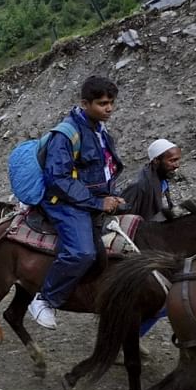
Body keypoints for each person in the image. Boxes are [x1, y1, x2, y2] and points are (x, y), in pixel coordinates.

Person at [28, 76, 126, 330]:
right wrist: (97, 202)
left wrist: (111, 195)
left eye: (112, 103)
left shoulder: (99, 130)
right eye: (103, 103)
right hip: (63, 201)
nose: (109, 108)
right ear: (85, 103)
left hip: (91, 199)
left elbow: (102, 169)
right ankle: (45, 299)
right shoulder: (66, 134)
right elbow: (58, 178)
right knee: (81, 253)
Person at [121, 138, 182, 222]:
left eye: (178, 160)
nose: (177, 165)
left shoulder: (161, 178)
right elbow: (125, 219)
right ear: (156, 161)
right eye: (172, 160)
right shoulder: (139, 185)